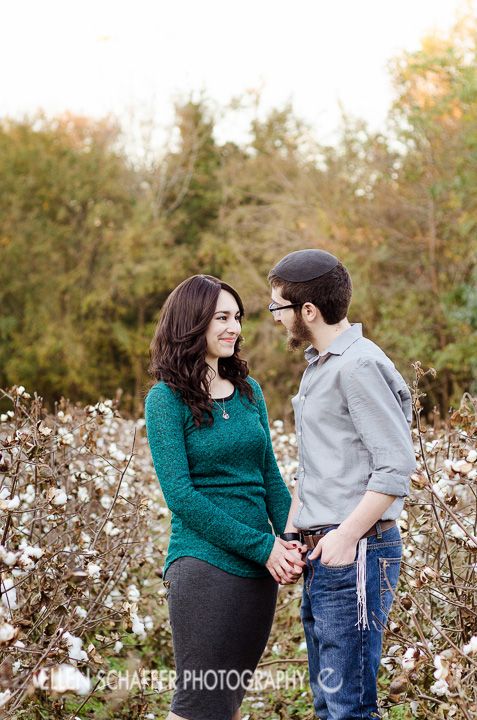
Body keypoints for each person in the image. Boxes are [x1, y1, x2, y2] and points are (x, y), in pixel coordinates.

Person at [144, 274, 304, 720]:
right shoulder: (166, 399)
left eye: (237, 317)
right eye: (221, 317)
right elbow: (180, 496)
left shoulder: (250, 391)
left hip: (259, 571)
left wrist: (291, 539)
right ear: (192, 323)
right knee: (197, 706)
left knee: (227, 704)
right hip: (204, 566)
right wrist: (264, 545)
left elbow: (269, 475)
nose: (234, 327)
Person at [267, 249, 417, 720]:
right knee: (328, 703)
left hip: (356, 552)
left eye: (278, 308)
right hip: (326, 552)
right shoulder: (322, 365)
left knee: (348, 707)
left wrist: (346, 537)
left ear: (307, 311)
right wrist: (294, 534)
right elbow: (319, 469)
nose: (275, 319)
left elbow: (394, 468)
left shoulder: (357, 366)